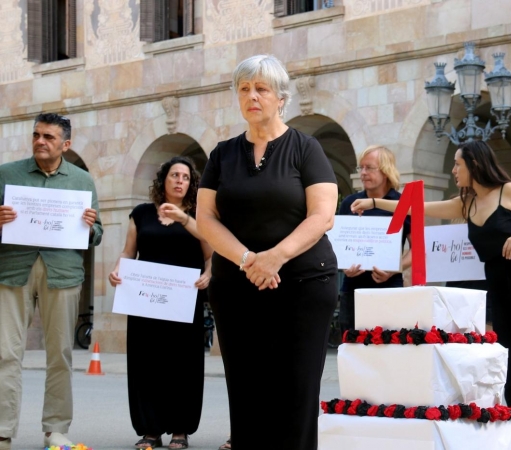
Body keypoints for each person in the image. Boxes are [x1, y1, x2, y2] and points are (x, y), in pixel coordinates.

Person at [351, 140, 511, 450]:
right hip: (499, 288)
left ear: (474, 164)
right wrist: (375, 203)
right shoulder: (466, 204)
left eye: (458, 164)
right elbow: (418, 208)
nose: (454, 170)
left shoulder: (507, 191)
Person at [196, 54, 339, 450]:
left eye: (261, 88)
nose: (251, 96)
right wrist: (247, 260)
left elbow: (322, 215)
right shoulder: (221, 155)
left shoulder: (306, 149)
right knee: (246, 393)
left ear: (281, 98)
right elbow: (206, 219)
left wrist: (275, 256)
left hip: (303, 284)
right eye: (244, 89)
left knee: (296, 392)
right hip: (237, 287)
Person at [0, 113, 103, 450]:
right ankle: (2, 429)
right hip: (13, 270)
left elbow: (97, 233)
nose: (40, 141)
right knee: (6, 353)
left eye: (48, 137)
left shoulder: (82, 181)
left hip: (63, 274)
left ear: (65, 144)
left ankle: (56, 429)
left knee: (60, 353)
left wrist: (90, 226)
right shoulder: (7, 174)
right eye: (36, 135)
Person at [108, 156, 212, 450]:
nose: (180, 181)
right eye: (174, 175)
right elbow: (129, 252)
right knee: (146, 363)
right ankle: (150, 430)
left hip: (183, 302)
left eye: (186, 177)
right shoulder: (141, 214)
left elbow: (210, 251)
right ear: (163, 180)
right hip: (145, 303)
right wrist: (117, 270)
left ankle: (180, 429)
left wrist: (209, 274)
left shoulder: (197, 215)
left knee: (183, 365)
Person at [337, 145, 411, 332]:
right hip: (353, 289)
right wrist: (344, 266)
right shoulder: (349, 203)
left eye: (369, 168)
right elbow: (338, 244)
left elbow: (419, 249)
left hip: (389, 288)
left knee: (388, 346)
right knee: (352, 348)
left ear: (385, 171)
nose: (362, 173)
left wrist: (393, 270)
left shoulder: (402, 204)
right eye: (360, 168)